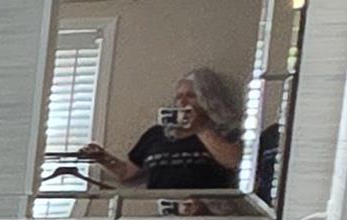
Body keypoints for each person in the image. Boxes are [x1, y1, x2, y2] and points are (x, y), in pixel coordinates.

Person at [77, 65, 247, 194]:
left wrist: (201, 129)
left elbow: (234, 161)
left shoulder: (226, 132)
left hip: (210, 219)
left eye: (191, 95)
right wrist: (103, 158)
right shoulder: (156, 134)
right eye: (179, 96)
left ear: (207, 98)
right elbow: (127, 172)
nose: (183, 102)